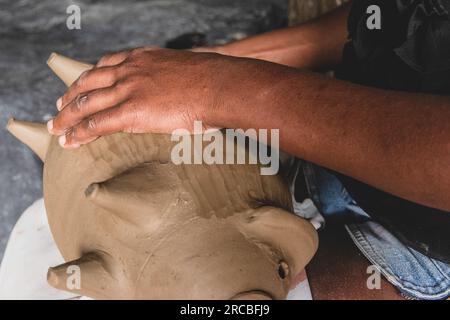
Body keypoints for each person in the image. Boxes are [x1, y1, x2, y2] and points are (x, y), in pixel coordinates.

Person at [46, 0, 450, 299]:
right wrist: (202, 66)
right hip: (356, 143)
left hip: (434, 239)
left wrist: (217, 87)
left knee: (229, 295)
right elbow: (398, 16)